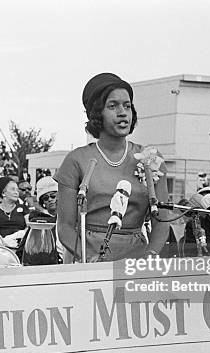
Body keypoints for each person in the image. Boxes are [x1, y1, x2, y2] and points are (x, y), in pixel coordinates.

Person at [54, 73, 170, 262]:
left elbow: (162, 223)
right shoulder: (76, 160)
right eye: (113, 106)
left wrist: (150, 257)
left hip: (136, 263)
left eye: (127, 106)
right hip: (85, 260)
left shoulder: (152, 159)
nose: (123, 112)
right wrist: (89, 258)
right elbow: (65, 227)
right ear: (97, 113)